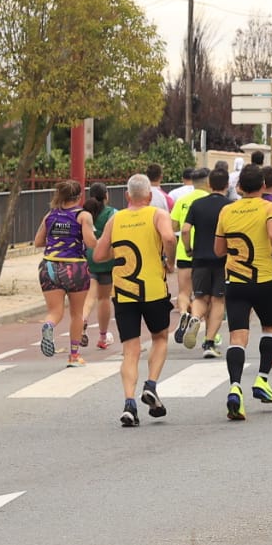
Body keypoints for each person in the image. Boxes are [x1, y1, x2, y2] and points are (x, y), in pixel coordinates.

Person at [93, 174, 176, 425]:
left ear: (127, 195)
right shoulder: (157, 215)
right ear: (149, 196)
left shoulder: (115, 219)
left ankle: (129, 403)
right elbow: (169, 238)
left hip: (124, 291)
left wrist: (117, 253)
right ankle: (150, 384)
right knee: (160, 337)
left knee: (130, 349)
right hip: (153, 289)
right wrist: (169, 261)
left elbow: (99, 255)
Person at [214, 164, 272, 421]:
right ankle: (262, 379)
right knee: (271, 326)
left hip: (235, 281)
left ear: (239, 187)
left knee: (237, 336)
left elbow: (218, 250)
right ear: (264, 186)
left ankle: (235, 387)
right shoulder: (270, 207)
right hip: (263, 278)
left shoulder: (226, 210)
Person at [32, 180, 96, 366]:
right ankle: (74, 356)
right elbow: (90, 242)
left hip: (49, 267)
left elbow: (38, 242)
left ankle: (49, 325)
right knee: (76, 313)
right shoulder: (83, 216)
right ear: (79, 196)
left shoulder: (50, 215)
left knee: (55, 311)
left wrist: (58, 241)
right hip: (75, 268)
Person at [181, 167, 231, 357]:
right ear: (227, 185)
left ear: (209, 184)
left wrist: (188, 249)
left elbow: (185, 230)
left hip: (200, 258)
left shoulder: (197, 204)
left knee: (200, 297)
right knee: (218, 300)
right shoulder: (229, 206)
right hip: (222, 259)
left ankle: (195, 318)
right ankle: (209, 343)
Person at [170, 169, 210, 345]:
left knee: (184, 292)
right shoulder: (209, 201)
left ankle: (184, 313)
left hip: (184, 252)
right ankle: (208, 333)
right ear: (208, 182)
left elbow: (174, 226)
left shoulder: (182, 200)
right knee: (205, 295)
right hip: (204, 252)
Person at [81, 183, 117, 351]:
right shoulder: (112, 213)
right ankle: (103, 337)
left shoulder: (85, 213)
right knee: (104, 298)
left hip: (87, 256)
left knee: (90, 296)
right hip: (106, 257)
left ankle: (83, 319)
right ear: (106, 196)